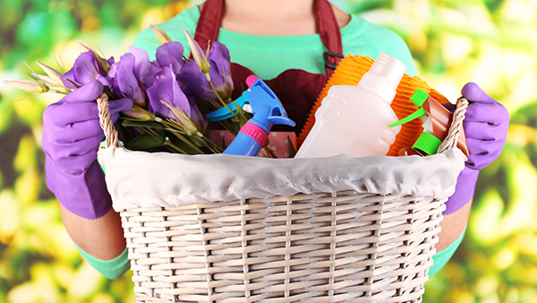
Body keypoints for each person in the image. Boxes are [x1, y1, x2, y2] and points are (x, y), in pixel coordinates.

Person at [41, 0, 509, 281]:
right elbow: (115, 260)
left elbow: (417, 263)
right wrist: (71, 170)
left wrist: (461, 168)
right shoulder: (159, 48)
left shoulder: (380, 52)